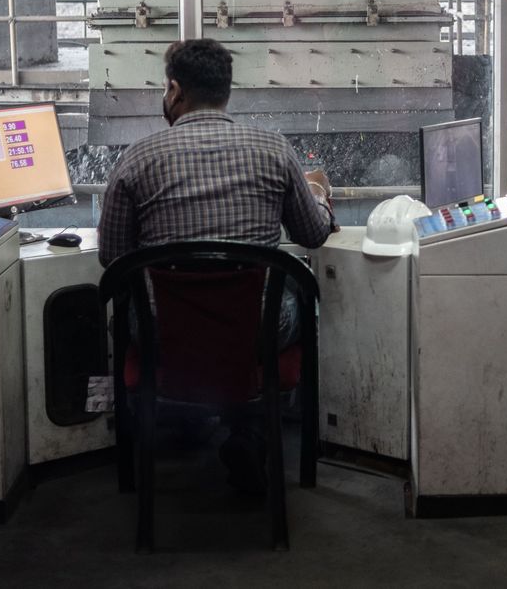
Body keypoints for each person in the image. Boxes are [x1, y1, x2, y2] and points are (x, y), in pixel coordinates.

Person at [98, 37, 336, 491]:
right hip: (255, 336)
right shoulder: (274, 151)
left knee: (141, 311)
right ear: (227, 90)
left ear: (174, 90)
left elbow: (113, 257)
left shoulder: (135, 160)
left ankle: (187, 423)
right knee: (296, 304)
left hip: (161, 334)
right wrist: (320, 197)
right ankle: (251, 431)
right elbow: (312, 235)